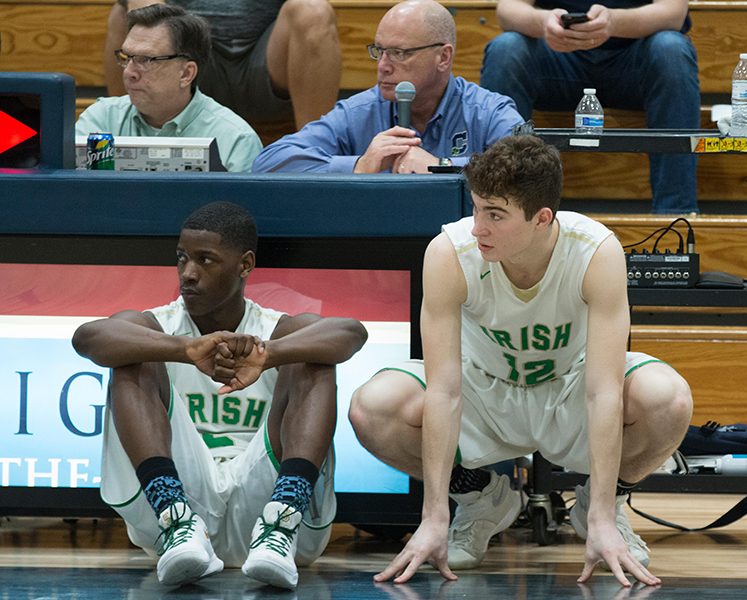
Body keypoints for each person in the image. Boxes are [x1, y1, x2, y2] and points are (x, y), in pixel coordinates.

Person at [349, 135, 693, 586]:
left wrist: (606, 515)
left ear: (541, 218)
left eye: (495, 215)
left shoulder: (595, 252)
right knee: (371, 406)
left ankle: (600, 507)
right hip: (483, 388)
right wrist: (432, 515)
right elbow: (446, 389)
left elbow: (603, 389)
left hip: (568, 385)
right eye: (476, 209)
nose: (478, 228)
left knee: (669, 400)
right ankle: (478, 500)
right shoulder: (449, 254)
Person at [71, 201, 367, 589]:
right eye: (182, 259)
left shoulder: (273, 327)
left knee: (313, 355)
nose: (188, 274)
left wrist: (270, 355)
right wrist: (184, 350)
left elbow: (351, 333)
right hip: (179, 515)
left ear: (245, 265)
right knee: (130, 351)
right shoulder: (161, 324)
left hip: (267, 508)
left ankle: (283, 519)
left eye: (205, 260)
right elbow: (87, 338)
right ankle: (175, 517)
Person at [479, 0, 700, 214]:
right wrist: (544, 21)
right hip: (557, 60)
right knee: (505, 49)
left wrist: (614, 22)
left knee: (671, 49)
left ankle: (675, 215)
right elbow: (507, 10)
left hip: (635, 62)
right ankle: (497, 208)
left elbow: (673, 13)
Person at [251, 0, 523, 174]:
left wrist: (441, 167)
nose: (383, 65)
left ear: (443, 57)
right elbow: (269, 162)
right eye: (379, 51)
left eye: (399, 53)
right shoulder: (359, 112)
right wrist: (359, 165)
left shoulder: (487, 111)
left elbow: (528, 169)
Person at [78, 4, 262, 172]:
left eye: (145, 60)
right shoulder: (101, 121)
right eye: (127, 57)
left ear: (186, 74)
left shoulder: (235, 141)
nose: (129, 72)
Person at [104, 0, 340, 130]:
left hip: (266, 60)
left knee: (313, 11)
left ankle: (314, 150)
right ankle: (127, 133)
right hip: (188, 57)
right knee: (132, 8)